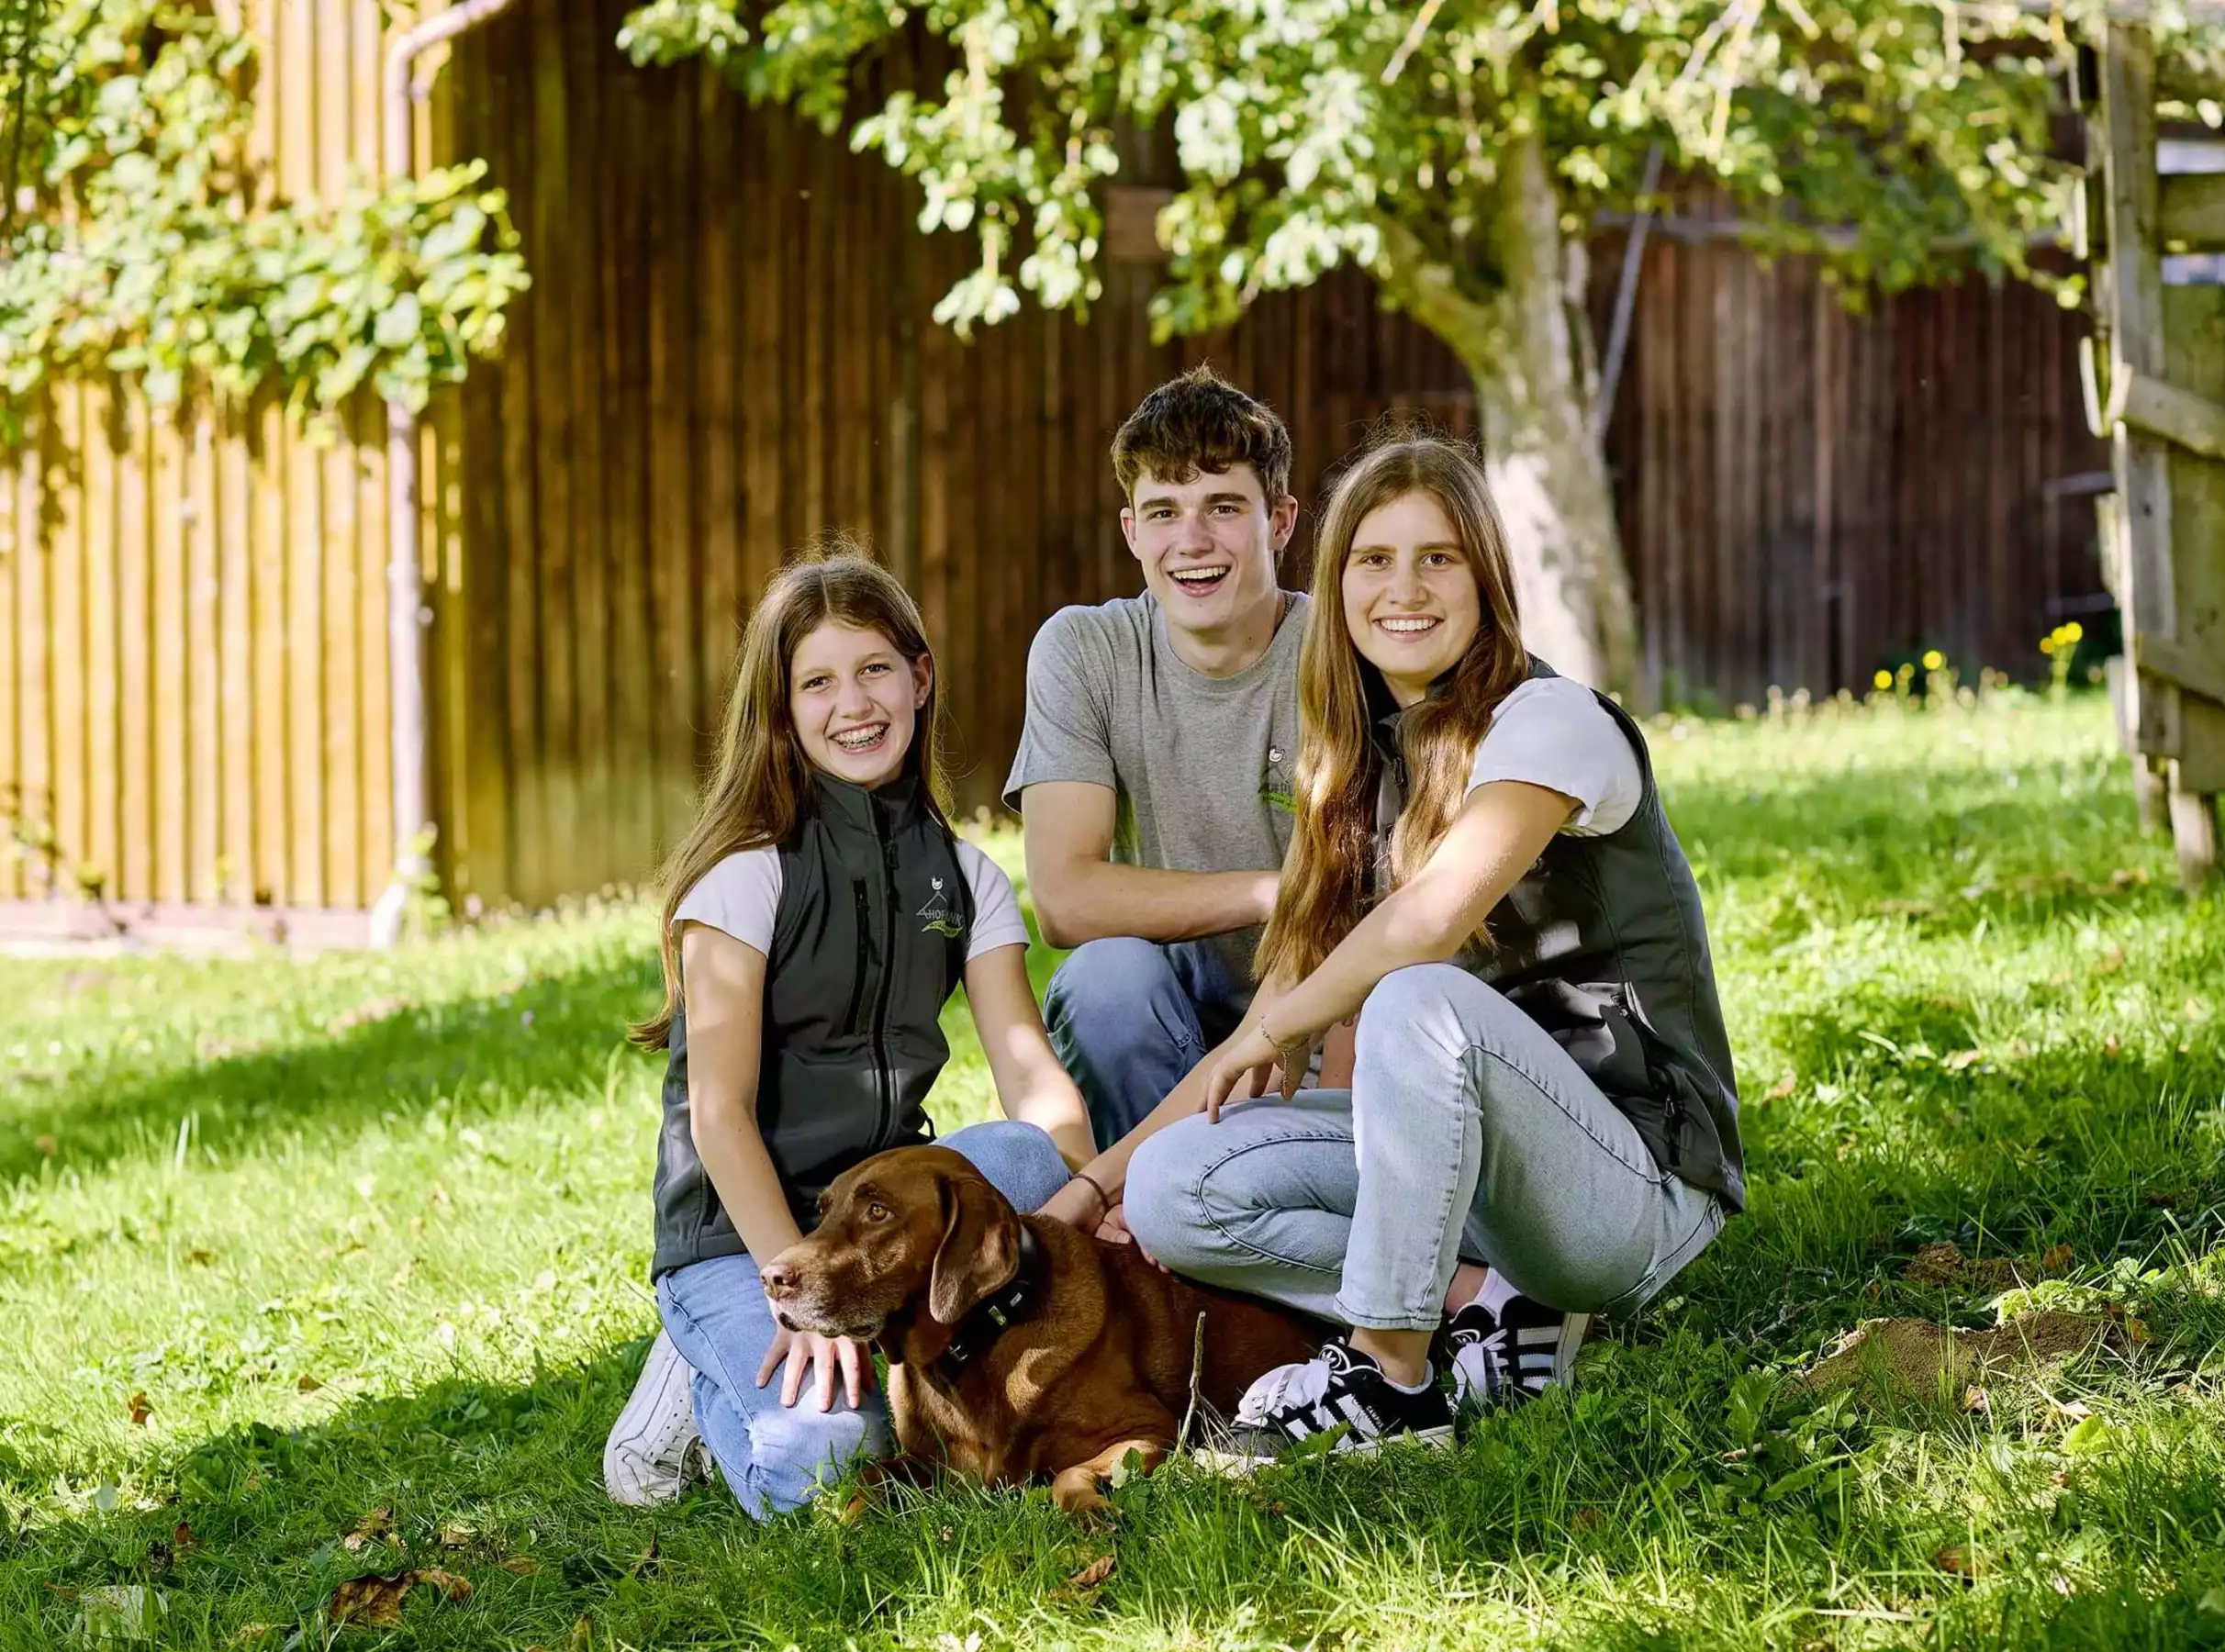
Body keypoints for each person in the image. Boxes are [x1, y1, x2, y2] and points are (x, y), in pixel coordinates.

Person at [1038, 435, 1744, 1457]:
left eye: (1437, 558)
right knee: (1175, 1189)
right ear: (1338, 584)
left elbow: (1428, 922)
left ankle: (1389, 1375)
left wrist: (1269, 1025)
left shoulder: (1551, 723)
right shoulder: (1366, 769)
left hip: (1631, 1186)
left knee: (1418, 998)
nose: (1402, 589)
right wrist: (1090, 1191)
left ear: (1486, 579)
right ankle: (1494, 1314)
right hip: (1481, 1184)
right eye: (1374, 560)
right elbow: (1275, 1010)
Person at [602, 552, 1099, 1516]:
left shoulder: (964, 877)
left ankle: (860, 1331)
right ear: (781, 713)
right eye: (817, 682)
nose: (853, 703)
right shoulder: (744, 880)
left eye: (874, 668)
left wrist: (1093, 1192)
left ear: (919, 677)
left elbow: (1034, 1082)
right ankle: (688, 1385)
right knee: (828, 1461)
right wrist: (796, 1288)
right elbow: (720, 1117)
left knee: (1029, 1160)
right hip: (743, 1237)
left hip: (874, 1222)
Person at [1007, 366, 1327, 1151]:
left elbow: (1362, 907)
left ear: (1280, 521)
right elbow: (1064, 900)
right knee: (1102, 981)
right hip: (1161, 1023)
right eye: (1164, 512)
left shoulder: (1340, 652)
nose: (1192, 541)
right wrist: (1266, 892)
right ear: (1131, 532)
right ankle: (1149, 1217)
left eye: (1223, 506)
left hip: (1323, 1021)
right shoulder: (1086, 650)